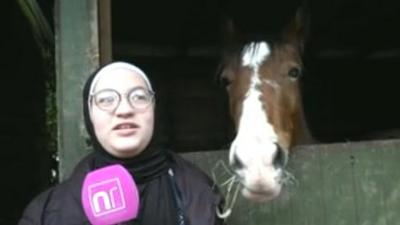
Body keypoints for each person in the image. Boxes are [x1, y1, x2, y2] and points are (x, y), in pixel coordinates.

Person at [19, 61, 225, 225]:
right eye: (107, 99)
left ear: (154, 110)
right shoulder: (45, 213)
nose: (125, 109)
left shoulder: (201, 193)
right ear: (89, 115)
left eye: (138, 97)